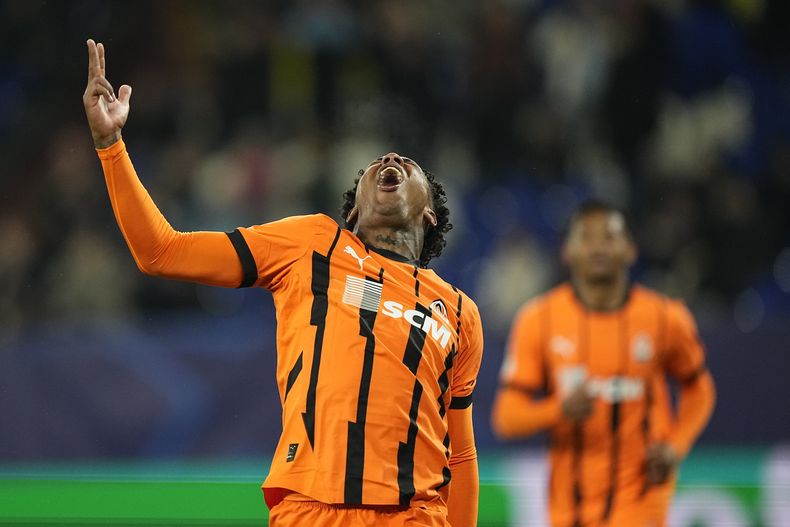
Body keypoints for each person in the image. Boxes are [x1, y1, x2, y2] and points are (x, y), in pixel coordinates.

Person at [83, 39, 483, 527]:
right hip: (309, 511)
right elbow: (161, 250)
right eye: (373, 167)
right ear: (354, 211)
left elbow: (460, 455)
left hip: (414, 515)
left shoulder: (458, 312)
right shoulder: (309, 244)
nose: (391, 157)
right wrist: (111, 147)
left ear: (429, 213)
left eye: (409, 165)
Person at [491, 200, 716, 527]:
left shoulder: (665, 318)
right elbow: (507, 418)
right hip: (569, 505)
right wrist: (560, 409)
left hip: (642, 498)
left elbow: (699, 389)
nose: (597, 247)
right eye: (586, 237)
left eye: (609, 237)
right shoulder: (538, 320)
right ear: (568, 252)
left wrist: (675, 446)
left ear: (631, 250)